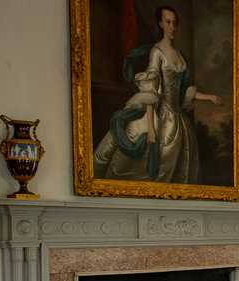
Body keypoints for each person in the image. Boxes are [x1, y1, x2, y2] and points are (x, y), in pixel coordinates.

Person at [93, 5, 222, 183]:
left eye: (175, 23)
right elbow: (150, 91)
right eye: (168, 22)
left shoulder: (180, 55)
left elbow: (182, 91)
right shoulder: (157, 52)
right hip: (158, 117)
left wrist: (209, 97)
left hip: (178, 121)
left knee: (181, 169)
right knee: (142, 162)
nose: (172, 27)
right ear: (160, 24)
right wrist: (152, 129)